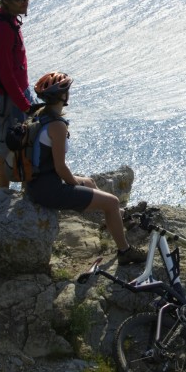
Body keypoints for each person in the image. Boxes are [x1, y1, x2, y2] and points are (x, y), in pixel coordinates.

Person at [25, 72, 145, 265]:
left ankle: (116, 219)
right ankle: (125, 251)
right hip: (48, 191)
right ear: (63, 95)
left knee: (89, 182)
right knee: (112, 202)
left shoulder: (40, 116)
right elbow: (60, 167)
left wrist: (81, 183)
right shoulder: (57, 126)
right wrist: (73, 183)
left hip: (37, 184)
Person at [0, 0, 37, 188]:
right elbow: (6, 75)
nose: (25, 2)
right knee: (7, 145)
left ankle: (29, 190)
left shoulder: (10, 21)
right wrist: (26, 105)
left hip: (19, 91)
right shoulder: (1, 29)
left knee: (27, 143)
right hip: (8, 96)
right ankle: (2, 193)